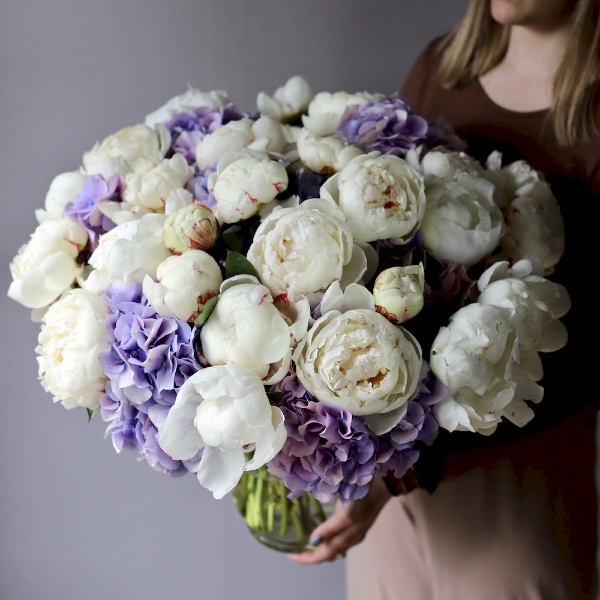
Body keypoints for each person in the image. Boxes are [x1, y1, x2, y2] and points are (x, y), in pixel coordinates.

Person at [289, 1, 600, 598]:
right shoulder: (442, 68)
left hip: (516, 482)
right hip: (388, 482)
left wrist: (405, 474)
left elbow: (595, 354)